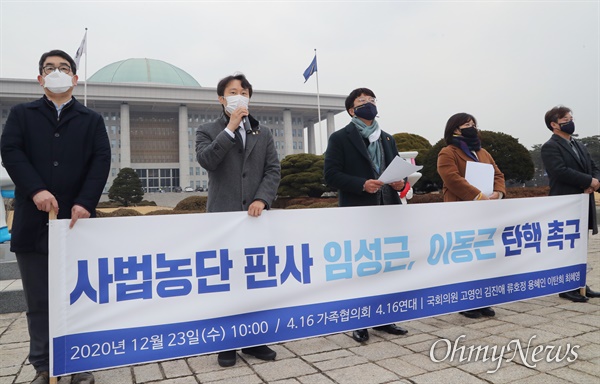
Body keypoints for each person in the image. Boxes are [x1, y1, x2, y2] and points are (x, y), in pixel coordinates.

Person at [0, 50, 111, 384]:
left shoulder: (91, 119)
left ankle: (78, 363)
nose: (57, 73)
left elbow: (101, 160)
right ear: (40, 78)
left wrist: (85, 202)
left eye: (64, 68)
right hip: (33, 224)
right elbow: (11, 152)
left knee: (77, 297)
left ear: (75, 79)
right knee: (38, 300)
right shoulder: (22, 115)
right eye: (50, 68)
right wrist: (35, 190)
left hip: (76, 223)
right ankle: (43, 366)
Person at [195, 73, 280, 367]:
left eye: (244, 91)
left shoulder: (263, 133)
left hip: (255, 218)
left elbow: (272, 170)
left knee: (253, 280)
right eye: (233, 92)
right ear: (222, 99)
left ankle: (254, 339)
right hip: (222, 218)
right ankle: (227, 342)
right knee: (226, 281)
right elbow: (207, 160)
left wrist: (262, 198)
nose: (239, 96)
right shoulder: (207, 130)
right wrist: (230, 128)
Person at [324, 87, 409, 342]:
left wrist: (399, 182)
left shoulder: (387, 139)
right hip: (358, 211)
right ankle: (358, 321)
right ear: (352, 109)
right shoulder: (340, 138)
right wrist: (362, 183)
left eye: (372, 100)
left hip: (387, 209)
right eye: (362, 101)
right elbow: (331, 175)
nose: (369, 104)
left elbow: (398, 172)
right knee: (361, 268)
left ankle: (384, 319)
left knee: (385, 266)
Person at [436, 112, 506, 319]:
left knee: (482, 255)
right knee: (464, 257)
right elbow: (451, 179)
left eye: (474, 124)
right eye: (467, 124)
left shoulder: (483, 152)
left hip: (485, 210)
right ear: (455, 129)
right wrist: (477, 196)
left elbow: (498, 174)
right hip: (461, 209)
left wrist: (498, 193)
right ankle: (464, 301)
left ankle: (482, 299)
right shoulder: (447, 152)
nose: (472, 127)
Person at [541, 106, 600, 303]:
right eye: (565, 119)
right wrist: (587, 181)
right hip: (566, 201)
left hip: (584, 199)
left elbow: (593, 167)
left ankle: (580, 283)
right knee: (567, 245)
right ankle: (566, 286)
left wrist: (594, 183)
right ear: (554, 124)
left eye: (571, 118)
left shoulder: (578, 144)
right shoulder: (550, 146)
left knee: (581, 245)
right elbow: (560, 171)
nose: (570, 121)